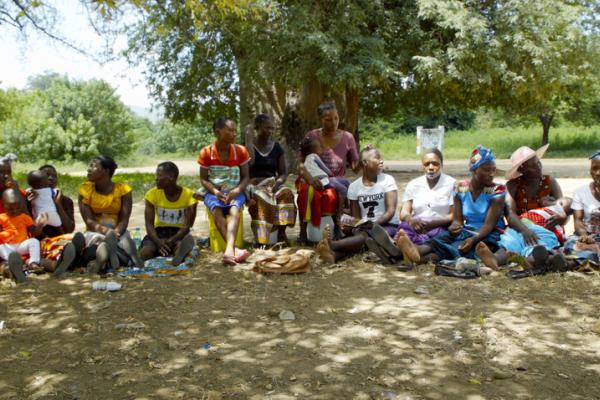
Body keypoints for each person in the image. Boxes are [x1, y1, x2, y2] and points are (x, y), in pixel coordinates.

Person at [427, 145, 508, 269]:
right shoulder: (460, 188)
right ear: (474, 170)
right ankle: (416, 250)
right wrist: (455, 225)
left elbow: (488, 225)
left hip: (489, 233)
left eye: (493, 169)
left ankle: (421, 256)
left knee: (459, 247)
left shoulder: (497, 190)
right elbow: (457, 220)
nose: (492, 174)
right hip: (467, 231)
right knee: (439, 239)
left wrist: (473, 239)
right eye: (486, 169)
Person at [316, 147, 398, 263]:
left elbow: (390, 211)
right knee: (364, 238)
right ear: (365, 162)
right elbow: (356, 217)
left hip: (387, 226)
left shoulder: (387, 180)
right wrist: (349, 225)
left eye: (381, 158)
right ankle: (334, 256)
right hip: (364, 227)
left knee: (366, 236)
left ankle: (333, 245)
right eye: (377, 158)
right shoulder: (354, 187)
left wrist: (373, 224)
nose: (381, 161)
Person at [297, 101, 360, 240]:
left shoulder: (348, 137)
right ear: (320, 120)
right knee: (304, 192)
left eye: (336, 118)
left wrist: (363, 159)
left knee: (348, 190)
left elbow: (355, 168)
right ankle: (303, 231)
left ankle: (341, 225)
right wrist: (310, 179)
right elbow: (301, 164)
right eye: (328, 120)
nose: (334, 123)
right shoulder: (312, 136)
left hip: (337, 180)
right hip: (314, 179)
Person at [198, 117, 251, 265]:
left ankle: (228, 250)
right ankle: (234, 250)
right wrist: (215, 192)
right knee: (217, 211)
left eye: (235, 130)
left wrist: (237, 190)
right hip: (214, 192)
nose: (234, 134)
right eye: (230, 130)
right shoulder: (206, 152)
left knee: (234, 210)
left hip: (236, 190)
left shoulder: (241, 151)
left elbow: (246, 177)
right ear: (218, 132)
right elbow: (203, 179)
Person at [79, 155, 143, 273]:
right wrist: (108, 233)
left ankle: (105, 259)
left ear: (106, 171)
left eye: (93, 166)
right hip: (95, 231)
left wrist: (115, 233)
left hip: (118, 232)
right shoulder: (85, 190)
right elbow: (89, 221)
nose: (89, 169)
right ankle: (120, 256)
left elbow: (124, 219)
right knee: (98, 243)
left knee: (115, 244)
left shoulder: (123, 190)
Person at [245, 114, 296, 244]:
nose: (270, 131)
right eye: (267, 128)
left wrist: (277, 184)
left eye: (272, 128)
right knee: (262, 196)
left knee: (287, 193)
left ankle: (281, 233)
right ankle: (263, 235)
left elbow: (283, 173)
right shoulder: (247, 146)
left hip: (272, 182)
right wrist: (248, 143)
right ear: (257, 128)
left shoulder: (277, 147)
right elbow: (248, 165)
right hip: (253, 183)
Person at [505, 144, 565, 246]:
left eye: (538, 162)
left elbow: (564, 207)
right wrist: (525, 231)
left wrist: (561, 218)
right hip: (522, 228)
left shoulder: (549, 182)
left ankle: (542, 255)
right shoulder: (512, 185)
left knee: (548, 241)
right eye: (532, 165)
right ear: (521, 169)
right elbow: (510, 214)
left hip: (548, 227)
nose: (538, 167)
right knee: (510, 243)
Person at [140, 162, 198, 264]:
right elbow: (149, 225)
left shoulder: (189, 195)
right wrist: (158, 242)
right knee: (146, 252)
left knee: (180, 247)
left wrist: (171, 241)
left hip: (179, 233)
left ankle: (178, 254)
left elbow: (187, 226)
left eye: (159, 175)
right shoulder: (152, 194)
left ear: (171, 177)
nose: (156, 178)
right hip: (158, 233)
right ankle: (150, 253)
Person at [398, 148, 455, 245]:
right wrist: (411, 220)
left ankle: (404, 250)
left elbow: (453, 215)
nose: (431, 167)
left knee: (439, 239)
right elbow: (404, 212)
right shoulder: (413, 184)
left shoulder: (451, 184)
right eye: (427, 164)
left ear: (441, 164)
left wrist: (432, 224)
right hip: (417, 226)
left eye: (435, 163)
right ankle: (403, 246)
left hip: (440, 226)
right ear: (422, 166)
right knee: (404, 230)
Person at [34, 164, 81, 276]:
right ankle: (62, 264)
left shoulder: (66, 201)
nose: (50, 178)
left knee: (74, 239)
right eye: (46, 175)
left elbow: (69, 229)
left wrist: (58, 204)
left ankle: (63, 262)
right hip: (41, 243)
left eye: (54, 176)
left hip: (60, 241)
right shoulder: (31, 199)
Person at [0, 189, 45, 282]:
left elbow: (34, 232)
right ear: (4, 205)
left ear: (21, 205)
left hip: (22, 245)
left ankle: (33, 263)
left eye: (17, 208)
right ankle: (13, 263)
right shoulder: (1, 217)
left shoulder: (25, 217)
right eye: (10, 208)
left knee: (34, 241)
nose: (14, 211)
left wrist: (40, 224)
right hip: (8, 247)